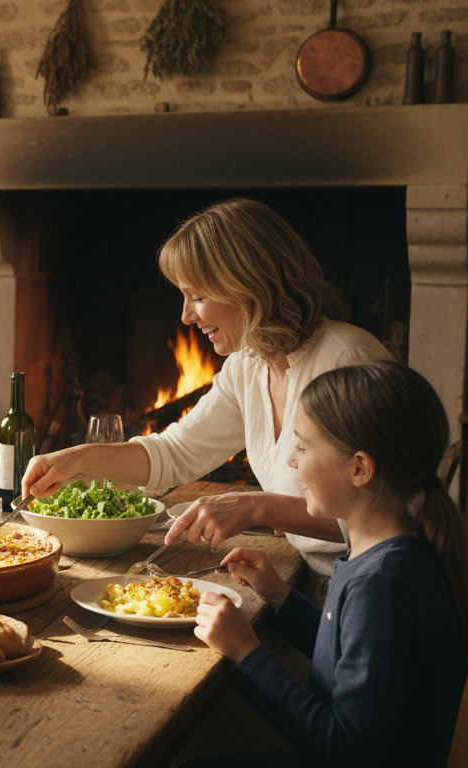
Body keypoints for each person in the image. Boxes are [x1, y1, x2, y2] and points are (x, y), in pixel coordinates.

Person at [21, 198, 392, 588]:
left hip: (371, 590)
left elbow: (388, 516)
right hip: (309, 583)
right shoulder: (250, 364)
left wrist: (256, 508)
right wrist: (77, 459)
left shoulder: (346, 360)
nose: (185, 316)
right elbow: (177, 452)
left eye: (198, 296)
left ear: (248, 285)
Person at [180, 361, 468, 767]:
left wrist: (245, 652)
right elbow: (349, 655)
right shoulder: (391, 552)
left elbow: (343, 748)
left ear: (359, 468)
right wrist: (282, 597)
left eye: (303, 447)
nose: (290, 460)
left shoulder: (382, 583)